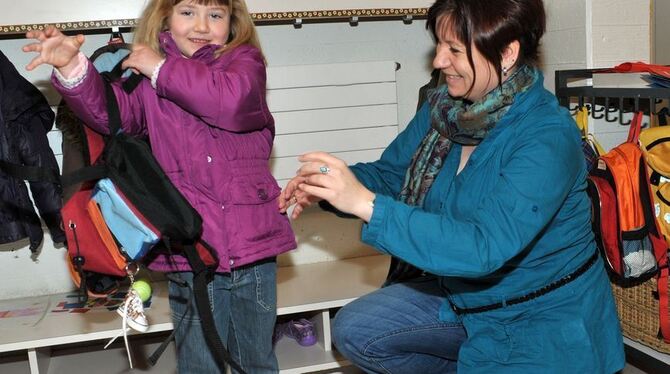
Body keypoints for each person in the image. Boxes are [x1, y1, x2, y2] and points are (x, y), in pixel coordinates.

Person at [279, 0, 625, 372]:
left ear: (507, 52)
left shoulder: (547, 136)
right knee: (357, 329)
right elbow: (393, 175)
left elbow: (482, 246)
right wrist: (329, 185)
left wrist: (366, 204)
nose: (439, 61)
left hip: (538, 319)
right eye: (439, 45)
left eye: (455, 50)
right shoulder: (443, 110)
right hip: (461, 296)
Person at [23, 0, 296, 373]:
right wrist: (73, 67)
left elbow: (229, 103)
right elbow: (110, 115)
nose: (201, 24)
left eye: (215, 15)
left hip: (254, 245)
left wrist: (161, 68)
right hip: (191, 246)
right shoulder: (145, 80)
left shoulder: (244, 64)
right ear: (165, 17)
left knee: (257, 360)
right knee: (201, 363)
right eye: (188, 12)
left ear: (232, 23)